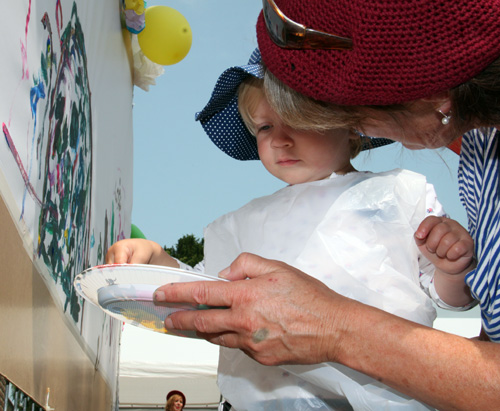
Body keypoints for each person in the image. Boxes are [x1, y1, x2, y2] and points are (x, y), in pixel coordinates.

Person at [147, 1, 500, 410]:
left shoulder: (398, 193)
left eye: (303, 116)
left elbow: (449, 295)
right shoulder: (243, 223)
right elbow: (207, 289)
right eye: (264, 127)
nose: (281, 139)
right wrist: (160, 264)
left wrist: (449, 266)